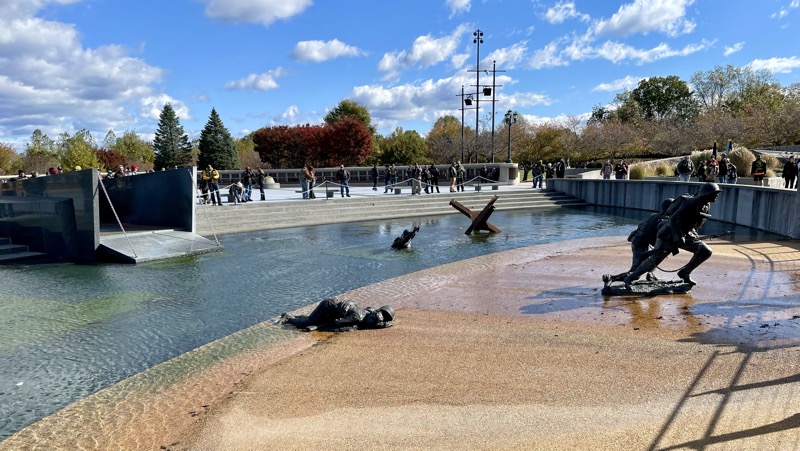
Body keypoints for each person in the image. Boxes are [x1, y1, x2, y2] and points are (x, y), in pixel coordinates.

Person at [623, 182, 722, 287]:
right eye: (715, 193)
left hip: (685, 234)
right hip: (669, 234)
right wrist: (678, 236)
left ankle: (685, 272)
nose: (717, 195)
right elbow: (674, 220)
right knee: (654, 260)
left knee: (705, 251)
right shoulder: (690, 203)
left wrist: (690, 235)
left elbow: (693, 223)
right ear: (707, 194)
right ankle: (631, 278)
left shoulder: (706, 205)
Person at [603, 197, 674, 286]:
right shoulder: (661, 220)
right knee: (635, 272)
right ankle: (610, 278)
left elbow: (642, 227)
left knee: (650, 261)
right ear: (670, 208)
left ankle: (650, 275)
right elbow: (650, 235)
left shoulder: (654, 216)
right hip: (639, 243)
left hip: (640, 241)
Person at [279, 298, 395, 332]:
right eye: (374, 319)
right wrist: (319, 327)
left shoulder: (370, 311)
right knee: (308, 323)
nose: (374, 321)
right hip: (327, 307)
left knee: (313, 319)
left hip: (332, 308)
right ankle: (288, 317)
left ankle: (300, 316)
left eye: (377, 321)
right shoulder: (358, 317)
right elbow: (336, 323)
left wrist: (382, 324)